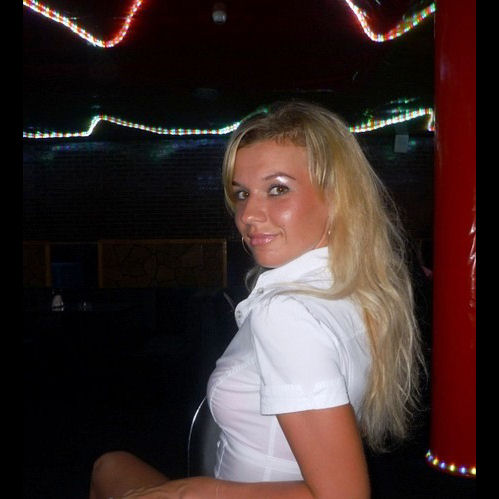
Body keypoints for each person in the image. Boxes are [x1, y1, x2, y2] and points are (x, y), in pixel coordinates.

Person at [89, 101, 425, 498]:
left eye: (278, 189)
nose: (248, 214)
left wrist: (192, 492)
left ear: (337, 196)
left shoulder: (287, 315)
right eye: (242, 193)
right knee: (110, 466)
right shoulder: (356, 287)